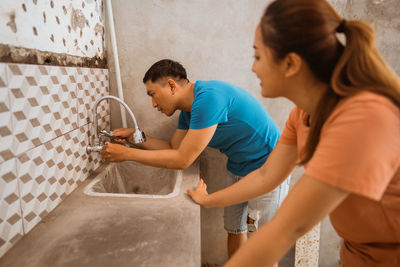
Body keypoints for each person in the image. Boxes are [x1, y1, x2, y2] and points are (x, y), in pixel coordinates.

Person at [186, 0, 400, 266]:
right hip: (356, 255)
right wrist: (208, 200)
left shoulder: (361, 120)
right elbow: (265, 176)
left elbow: (288, 228)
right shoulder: (302, 114)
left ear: (290, 63)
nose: (253, 68)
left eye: (258, 56)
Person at [100, 59, 290, 256]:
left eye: (153, 94)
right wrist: (134, 137)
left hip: (270, 167)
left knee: (265, 246)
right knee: (235, 230)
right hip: (237, 167)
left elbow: (183, 159)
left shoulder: (208, 98)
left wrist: (127, 154)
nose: (153, 104)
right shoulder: (188, 113)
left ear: (172, 86)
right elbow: (174, 147)